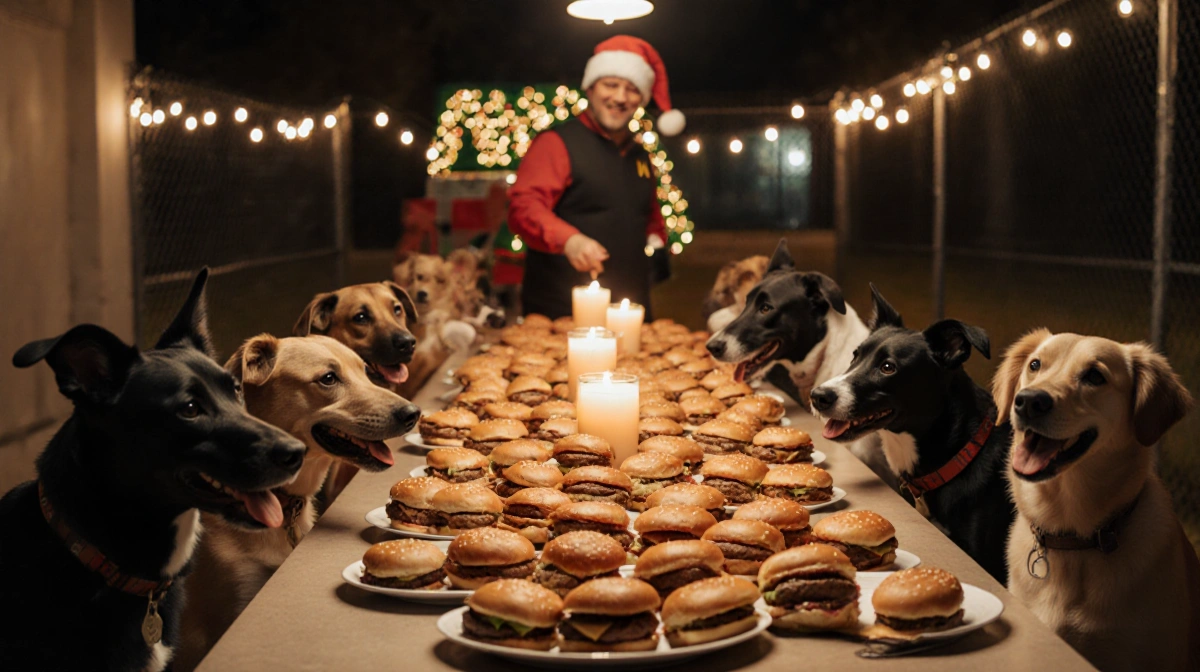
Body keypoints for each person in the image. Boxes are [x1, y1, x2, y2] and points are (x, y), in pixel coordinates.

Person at [508, 35, 686, 319]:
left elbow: (647, 214)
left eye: (631, 89)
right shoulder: (557, 143)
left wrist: (657, 244)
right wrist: (570, 240)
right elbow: (524, 207)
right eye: (610, 85)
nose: (619, 98)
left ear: (642, 98)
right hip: (562, 316)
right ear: (590, 88)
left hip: (630, 310)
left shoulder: (640, 153)